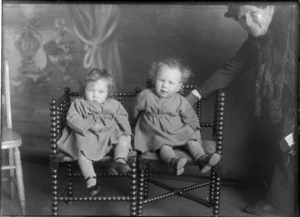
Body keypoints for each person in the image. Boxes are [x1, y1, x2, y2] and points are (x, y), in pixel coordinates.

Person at [186, 4, 297, 217]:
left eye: (253, 13)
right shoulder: (256, 42)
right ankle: (281, 204)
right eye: (241, 17)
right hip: (288, 104)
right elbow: (231, 68)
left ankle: (280, 206)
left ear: (270, 8)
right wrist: (193, 96)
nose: (248, 22)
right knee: (287, 145)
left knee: (289, 145)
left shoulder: (293, 25)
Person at [133, 58, 221, 176]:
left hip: (176, 130)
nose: (165, 85)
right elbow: (134, 111)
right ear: (155, 79)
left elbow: (191, 117)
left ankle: (202, 159)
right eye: (161, 80)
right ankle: (174, 162)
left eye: (170, 83)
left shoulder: (180, 100)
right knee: (163, 145)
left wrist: (195, 132)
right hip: (155, 132)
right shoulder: (146, 95)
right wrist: (132, 126)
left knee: (190, 139)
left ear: (178, 87)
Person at [57, 68, 132, 196]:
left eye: (101, 92)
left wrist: (128, 132)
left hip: (108, 135)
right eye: (90, 91)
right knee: (82, 150)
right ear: (84, 90)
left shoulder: (113, 104)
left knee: (123, 137)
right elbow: (72, 118)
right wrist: (90, 124)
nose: (95, 95)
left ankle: (119, 161)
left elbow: (122, 117)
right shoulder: (79, 104)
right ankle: (91, 181)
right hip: (88, 136)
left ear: (108, 92)